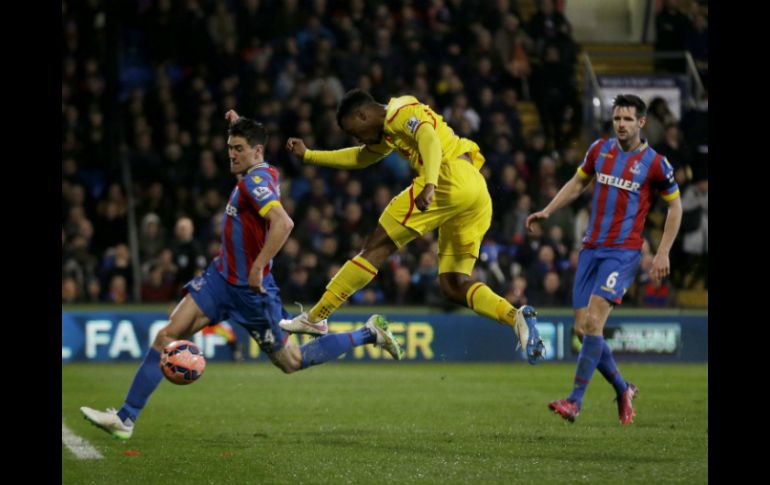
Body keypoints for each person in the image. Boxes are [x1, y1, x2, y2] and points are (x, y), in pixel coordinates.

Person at [81, 113, 403, 440]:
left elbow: (284, 223)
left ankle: (369, 333)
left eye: (238, 148)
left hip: (252, 292)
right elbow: (250, 144)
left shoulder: (254, 183)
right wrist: (238, 121)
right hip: (220, 278)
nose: (231, 154)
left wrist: (257, 266)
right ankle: (126, 417)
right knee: (167, 335)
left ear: (257, 151)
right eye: (229, 147)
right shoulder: (257, 171)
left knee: (291, 361)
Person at [275, 89, 544, 362]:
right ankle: (515, 317)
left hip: (446, 179)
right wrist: (310, 156)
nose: (355, 137)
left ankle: (317, 317)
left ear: (362, 114)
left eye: (353, 129)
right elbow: (360, 157)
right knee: (453, 284)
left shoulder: (399, 113)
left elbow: (428, 138)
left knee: (375, 247)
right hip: (475, 190)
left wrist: (430, 183)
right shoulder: (391, 131)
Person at [526, 94, 682, 425]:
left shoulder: (655, 163)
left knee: (595, 323)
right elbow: (577, 182)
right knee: (584, 330)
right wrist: (548, 210)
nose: (621, 124)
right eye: (617, 119)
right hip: (591, 249)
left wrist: (663, 250)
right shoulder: (599, 150)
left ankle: (574, 402)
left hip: (623, 252)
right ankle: (623, 388)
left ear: (641, 122)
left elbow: (675, 206)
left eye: (628, 119)